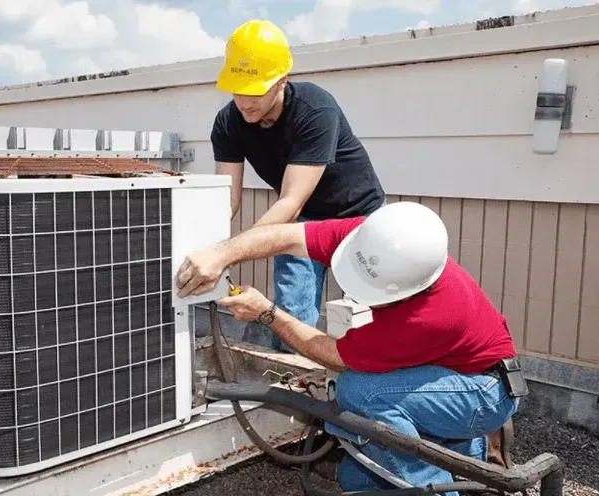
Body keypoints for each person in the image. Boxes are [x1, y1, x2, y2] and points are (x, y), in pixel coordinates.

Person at [175, 201, 524, 493]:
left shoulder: (429, 316)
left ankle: (440, 484)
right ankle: (465, 453)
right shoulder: (373, 239)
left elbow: (335, 356)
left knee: (360, 392)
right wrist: (221, 254)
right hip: (448, 373)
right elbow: (284, 235)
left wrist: (267, 313)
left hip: (484, 392)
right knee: (357, 479)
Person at [210, 19, 386, 351]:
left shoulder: (315, 109)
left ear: (282, 81)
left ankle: (362, 389)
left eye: (257, 90)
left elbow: (291, 201)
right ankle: (294, 389)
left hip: (360, 219)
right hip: (303, 222)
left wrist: (226, 254)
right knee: (290, 315)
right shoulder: (228, 123)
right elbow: (227, 201)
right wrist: (205, 246)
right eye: (238, 89)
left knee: (369, 316)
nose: (246, 101)